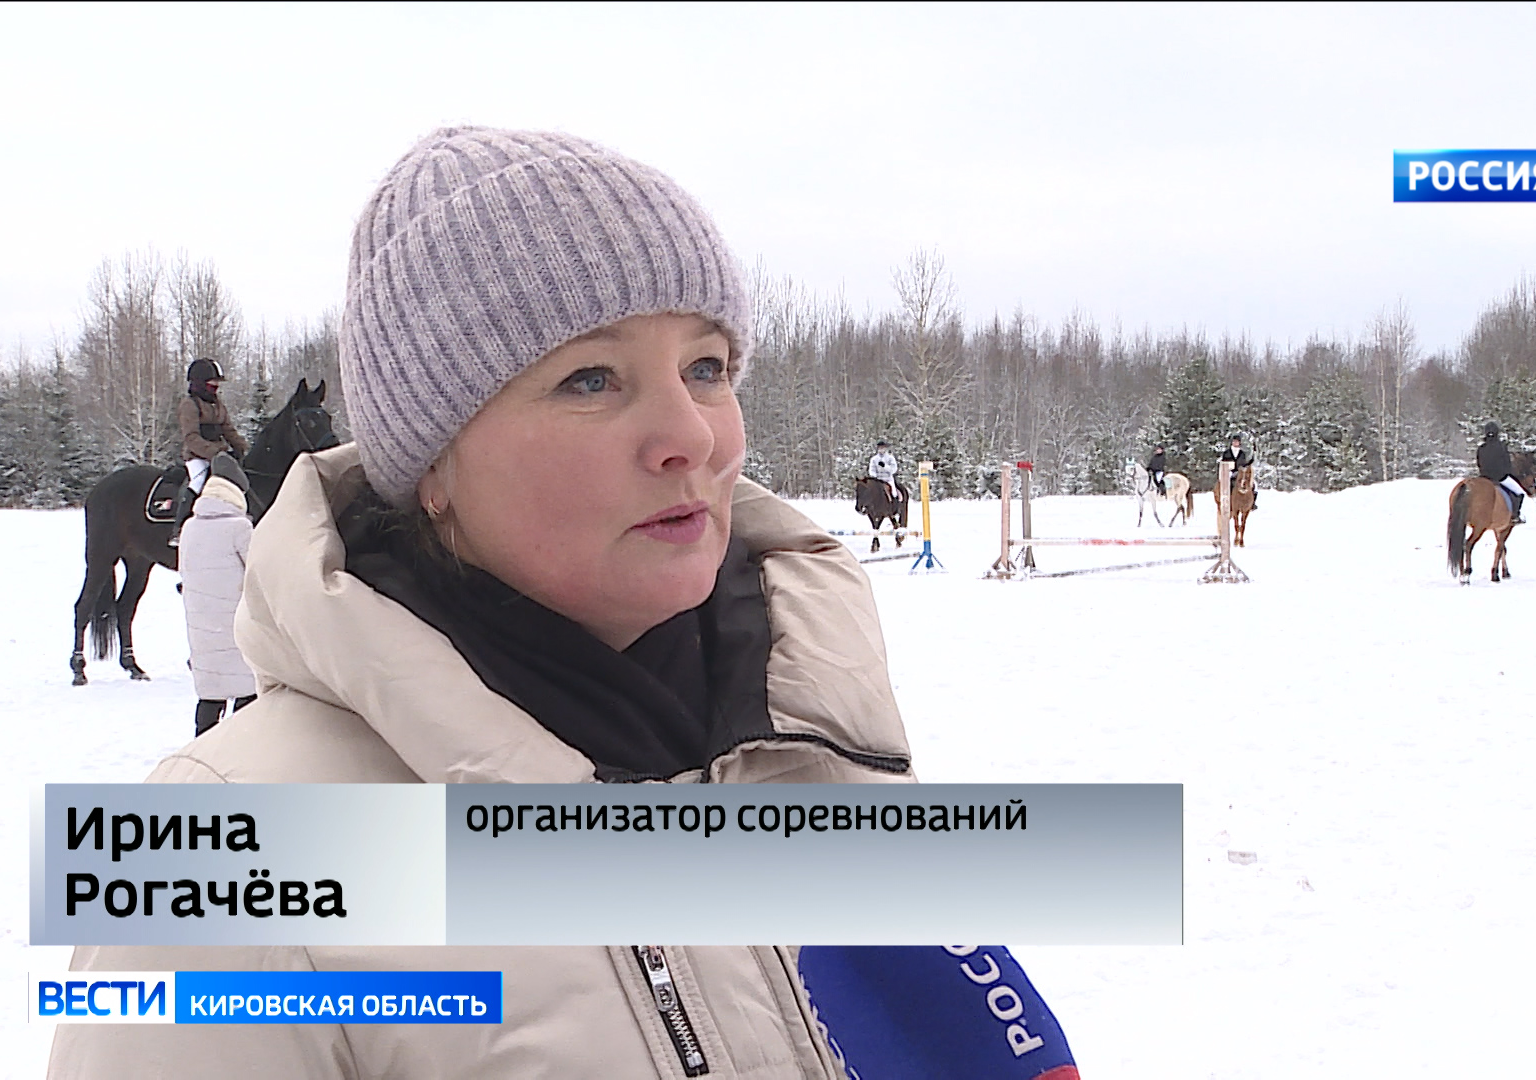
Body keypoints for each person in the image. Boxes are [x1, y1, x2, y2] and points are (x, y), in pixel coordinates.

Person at [49, 128, 916, 1079]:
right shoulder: (220, 859)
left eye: (706, 368)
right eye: (591, 379)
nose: (692, 436)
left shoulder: (824, 733)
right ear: (432, 468)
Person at [178, 453, 255, 736]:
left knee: (210, 696)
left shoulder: (188, 527)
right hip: (236, 628)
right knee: (248, 696)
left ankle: (203, 746)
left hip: (202, 627)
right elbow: (259, 575)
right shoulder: (240, 528)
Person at [171, 357, 249, 546]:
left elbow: (228, 430)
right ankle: (179, 529)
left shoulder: (217, 404)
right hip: (197, 456)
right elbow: (191, 437)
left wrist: (243, 448)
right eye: (212, 382)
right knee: (197, 482)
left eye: (217, 383)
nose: (216, 386)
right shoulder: (189, 404)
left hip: (219, 456)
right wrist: (215, 453)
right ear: (199, 383)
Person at [1477, 421, 1525, 524]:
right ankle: (1515, 515)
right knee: (1519, 493)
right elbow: (1507, 463)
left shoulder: (1481, 448)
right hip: (1500, 477)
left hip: (1484, 477)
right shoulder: (1502, 447)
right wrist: (1508, 473)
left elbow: (1479, 463)